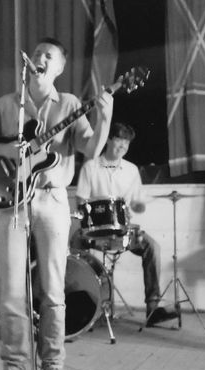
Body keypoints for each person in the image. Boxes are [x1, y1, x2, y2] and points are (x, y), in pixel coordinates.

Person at [0, 37, 113, 370]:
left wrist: (105, 115)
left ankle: (53, 364)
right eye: (39, 53)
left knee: (54, 287)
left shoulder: (71, 104)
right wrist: (6, 150)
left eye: (51, 56)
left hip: (52, 200)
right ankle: (14, 367)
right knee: (12, 289)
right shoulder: (5, 106)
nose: (42, 57)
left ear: (58, 68)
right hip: (11, 201)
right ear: (28, 64)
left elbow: (91, 148)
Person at [75, 122, 178, 326]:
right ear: (108, 140)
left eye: (127, 143)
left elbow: (136, 203)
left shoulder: (131, 170)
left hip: (122, 232)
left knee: (152, 247)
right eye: (119, 140)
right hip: (94, 232)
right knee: (72, 245)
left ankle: (152, 308)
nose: (123, 146)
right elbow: (80, 202)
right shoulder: (90, 166)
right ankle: (79, 307)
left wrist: (139, 206)